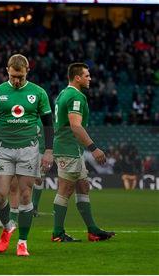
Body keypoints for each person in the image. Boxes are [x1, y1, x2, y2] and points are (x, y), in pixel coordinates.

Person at [0, 54, 54, 257]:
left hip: (28, 149)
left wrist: (48, 150)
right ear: (7, 71)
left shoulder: (38, 93)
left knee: (26, 194)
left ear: (27, 70)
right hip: (2, 149)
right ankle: (8, 226)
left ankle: (22, 242)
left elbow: (48, 123)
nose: (16, 80)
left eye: (20, 76)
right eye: (13, 76)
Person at [52, 62, 115, 242]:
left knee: (83, 186)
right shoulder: (76, 96)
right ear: (77, 77)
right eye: (87, 75)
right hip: (68, 148)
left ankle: (93, 230)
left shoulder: (64, 93)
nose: (90, 79)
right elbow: (75, 126)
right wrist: (94, 148)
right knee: (65, 188)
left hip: (71, 148)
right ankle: (57, 233)